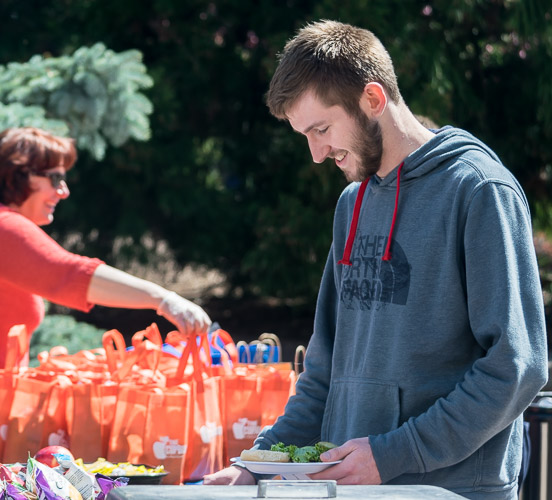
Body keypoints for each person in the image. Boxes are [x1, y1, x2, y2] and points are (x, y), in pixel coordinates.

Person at [203, 20, 548, 499]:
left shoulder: (479, 190)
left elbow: (517, 366)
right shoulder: (352, 204)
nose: (317, 153)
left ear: (372, 99)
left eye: (321, 129)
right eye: (305, 135)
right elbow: (325, 368)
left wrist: (394, 453)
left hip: (449, 491)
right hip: (352, 488)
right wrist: (260, 462)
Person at [0, 127, 211, 369]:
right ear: (17, 175)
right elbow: (69, 275)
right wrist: (163, 299)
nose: (63, 191)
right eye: (55, 178)